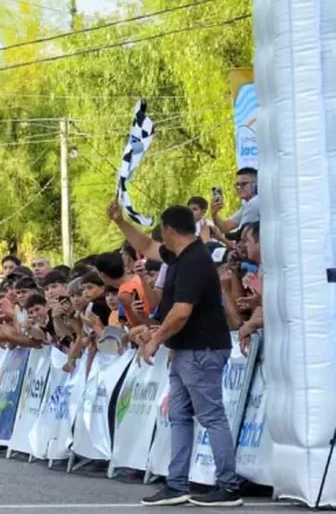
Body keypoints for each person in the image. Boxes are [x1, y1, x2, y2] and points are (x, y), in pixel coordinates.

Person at [109, 201, 241, 507]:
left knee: (211, 416)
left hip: (202, 349)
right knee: (179, 415)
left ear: (170, 230)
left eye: (162, 231)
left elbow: (181, 312)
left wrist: (156, 340)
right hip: (185, 350)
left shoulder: (195, 261)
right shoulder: (178, 254)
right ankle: (177, 482)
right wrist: (120, 222)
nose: (160, 238)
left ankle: (228, 486)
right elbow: (146, 244)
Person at [211, 167, 259, 234]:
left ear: (256, 184)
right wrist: (214, 214)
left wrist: (221, 238)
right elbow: (225, 227)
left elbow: (243, 235)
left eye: (244, 184)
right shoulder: (247, 205)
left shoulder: (254, 203)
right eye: (237, 184)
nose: (239, 188)